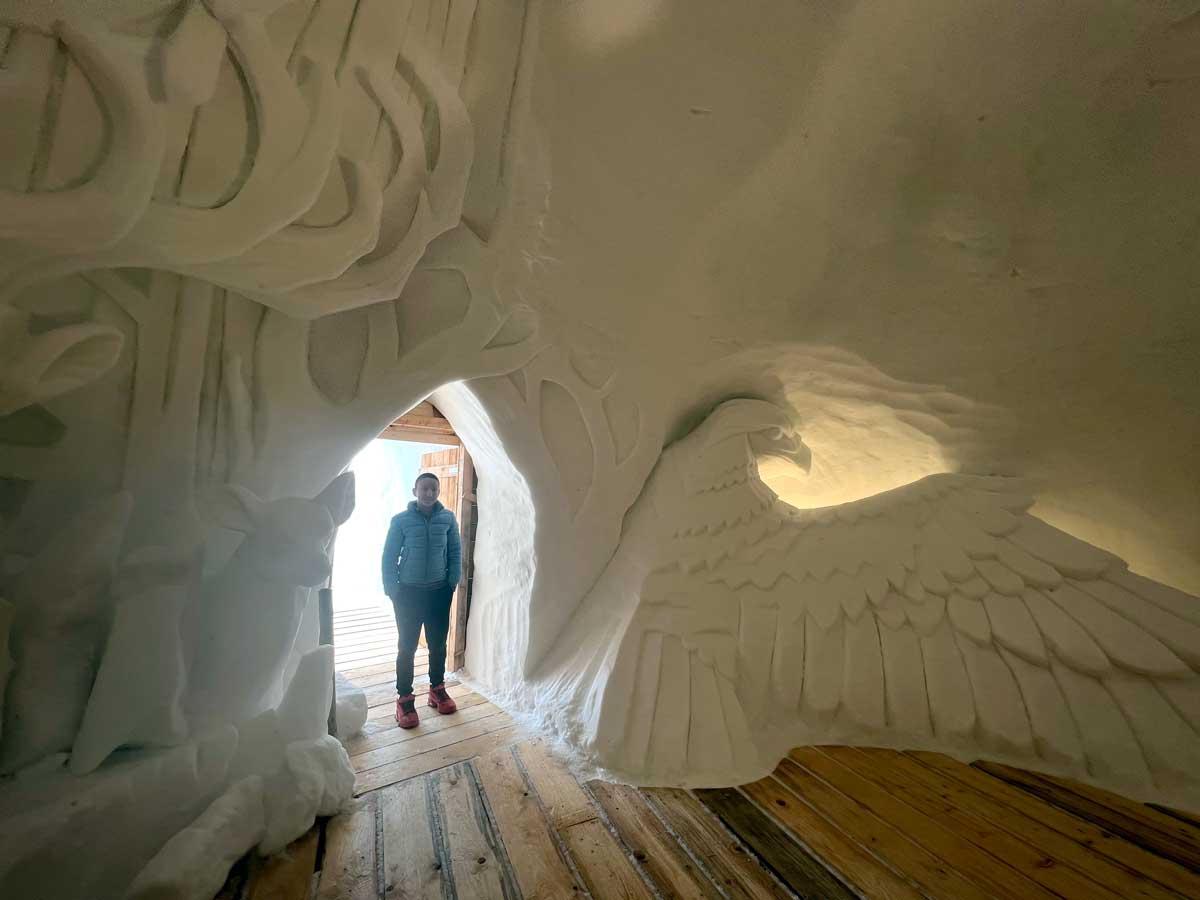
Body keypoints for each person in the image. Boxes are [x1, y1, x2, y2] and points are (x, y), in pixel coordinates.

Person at [380, 471, 462, 729]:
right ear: (414, 491)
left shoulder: (448, 519)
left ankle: (437, 689)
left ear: (438, 492)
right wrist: (392, 588)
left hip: (439, 592)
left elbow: (455, 551)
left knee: (438, 644)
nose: (429, 493)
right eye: (424, 488)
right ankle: (404, 698)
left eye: (433, 489)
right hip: (408, 594)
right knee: (407, 646)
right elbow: (389, 556)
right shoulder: (400, 521)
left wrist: (452, 582)